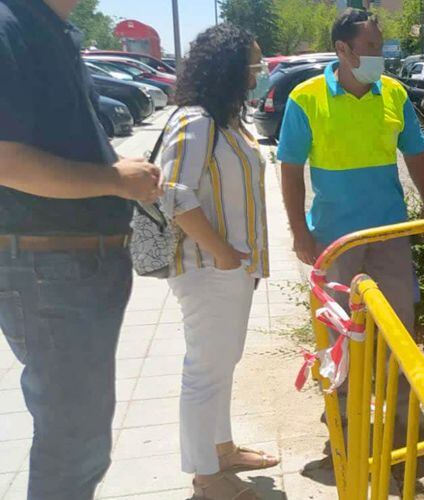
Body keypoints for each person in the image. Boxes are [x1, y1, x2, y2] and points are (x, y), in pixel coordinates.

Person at [0, 0, 162, 498]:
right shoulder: (11, 26)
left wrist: (116, 166)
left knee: (80, 439)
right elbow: (7, 162)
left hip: (71, 266)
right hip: (51, 267)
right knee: (73, 444)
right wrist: (113, 179)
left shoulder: (52, 30)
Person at [158, 24, 277, 499]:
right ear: (229, 67)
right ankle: (206, 477)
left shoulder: (227, 120)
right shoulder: (197, 119)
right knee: (205, 370)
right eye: (253, 59)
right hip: (209, 269)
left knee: (222, 364)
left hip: (234, 269)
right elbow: (174, 193)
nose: (260, 68)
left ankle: (222, 449)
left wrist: (240, 262)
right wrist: (224, 254)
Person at [279, 8, 424, 331]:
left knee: (398, 322)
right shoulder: (305, 98)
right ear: (342, 49)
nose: (379, 55)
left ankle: (397, 383)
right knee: (340, 324)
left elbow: (416, 153)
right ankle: (345, 384)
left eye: (380, 46)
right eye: (371, 47)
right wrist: (299, 232)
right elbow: (291, 171)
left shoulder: (394, 93)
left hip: (389, 230)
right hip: (336, 237)